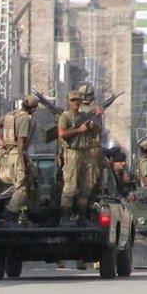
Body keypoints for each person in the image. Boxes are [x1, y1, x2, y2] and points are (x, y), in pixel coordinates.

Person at [0, 95, 39, 226]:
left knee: (28, 185)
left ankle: (27, 215)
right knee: (21, 188)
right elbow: (21, 142)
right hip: (17, 153)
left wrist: (1, 141)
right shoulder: (25, 119)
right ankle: (10, 217)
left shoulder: (11, 115)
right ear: (33, 109)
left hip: (9, 153)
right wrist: (23, 161)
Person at [57, 91, 103, 226]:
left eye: (78, 100)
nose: (75, 102)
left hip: (86, 152)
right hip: (72, 152)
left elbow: (95, 133)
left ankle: (82, 217)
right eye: (73, 100)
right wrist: (79, 130)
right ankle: (65, 218)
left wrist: (97, 120)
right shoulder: (65, 117)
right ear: (69, 102)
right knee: (70, 186)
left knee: (87, 186)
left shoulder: (85, 116)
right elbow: (62, 134)